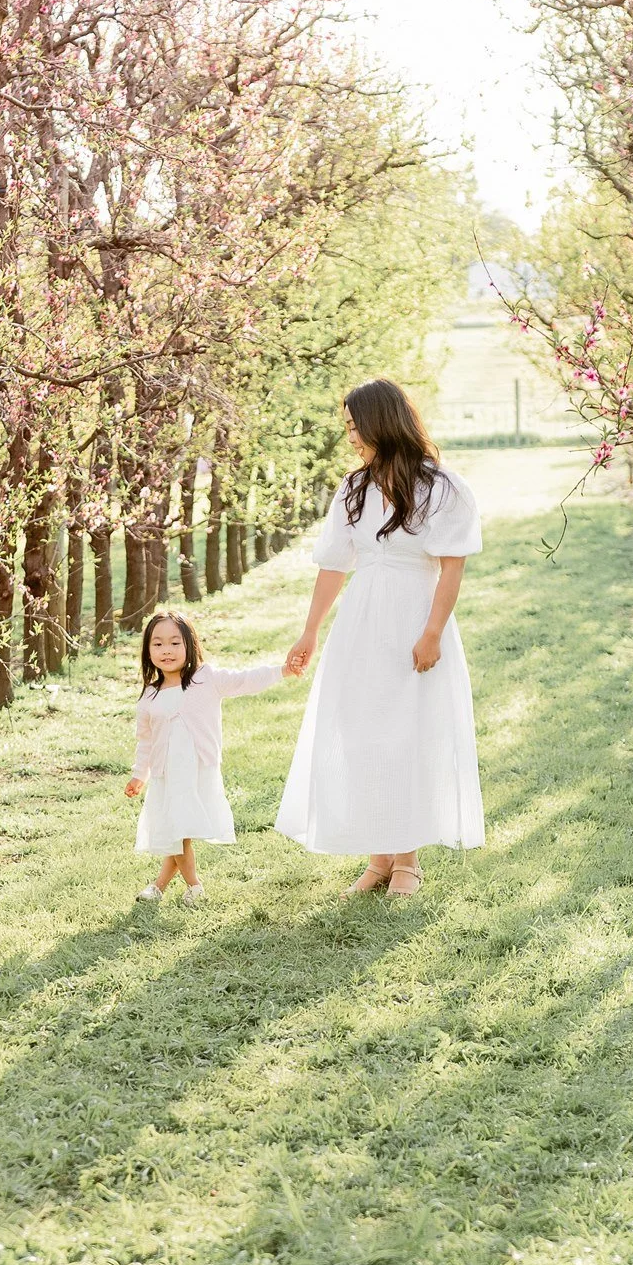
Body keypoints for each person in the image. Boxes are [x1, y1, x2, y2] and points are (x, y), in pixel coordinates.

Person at [276, 377, 484, 895]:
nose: (350, 437)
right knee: (361, 732)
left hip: (414, 617)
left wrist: (432, 632)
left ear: (381, 422)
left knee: (407, 733)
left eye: (355, 426)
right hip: (361, 623)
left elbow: (451, 569)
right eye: (346, 427)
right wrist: (309, 632)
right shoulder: (353, 489)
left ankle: (408, 861)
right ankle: (378, 859)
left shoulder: (441, 489)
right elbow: (332, 568)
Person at [125, 609, 293, 905]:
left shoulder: (206, 678)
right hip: (167, 774)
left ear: (190, 645)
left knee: (179, 831)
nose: (167, 650)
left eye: (175, 643)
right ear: (147, 650)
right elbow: (146, 742)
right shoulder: (149, 696)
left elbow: (245, 680)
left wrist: (282, 670)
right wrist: (140, 774)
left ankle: (190, 887)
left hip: (196, 770)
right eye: (158, 643)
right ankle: (164, 886)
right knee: (177, 831)